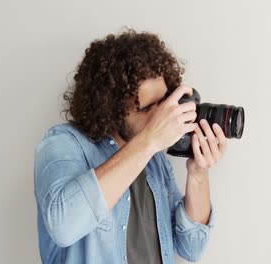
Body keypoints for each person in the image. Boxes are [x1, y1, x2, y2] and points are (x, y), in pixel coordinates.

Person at [33, 29, 227, 264]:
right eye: (147, 109)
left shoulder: (156, 162)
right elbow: (63, 226)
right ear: (110, 110)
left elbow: (191, 248)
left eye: (164, 102)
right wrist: (150, 140)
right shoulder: (63, 142)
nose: (162, 117)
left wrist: (197, 173)